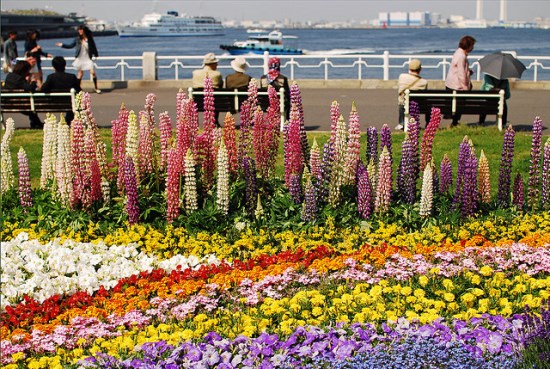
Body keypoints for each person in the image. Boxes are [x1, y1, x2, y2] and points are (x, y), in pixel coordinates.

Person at [56, 25, 101, 93]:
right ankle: (78, 88)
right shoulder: (77, 39)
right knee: (80, 74)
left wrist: (96, 54)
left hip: (88, 58)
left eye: (81, 30)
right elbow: (71, 45)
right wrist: (62, 45)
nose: (79, 31)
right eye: (79, 30)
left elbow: (93, 47)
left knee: (93, 72)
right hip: (80, 58)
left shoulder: (89, 39)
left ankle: (96, 88)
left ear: (84, 30)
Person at [445, 35, 476, 127]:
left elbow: (458, 69)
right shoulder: (462, 56)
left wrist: (468, 71)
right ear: (469, 46)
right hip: (457, 86)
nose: (473, 48)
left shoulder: (458, 53)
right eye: (472, 46)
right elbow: (461, 74)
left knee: (455, 105)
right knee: (459, 105)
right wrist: (466, 88)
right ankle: (455, 122)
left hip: (450, 84)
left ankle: (455, 122)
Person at [41, 56, 82, 124]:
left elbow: (43, 89)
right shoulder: (71, 77)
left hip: (54, 103)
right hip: (69, 103)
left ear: (53, 66)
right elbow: (79, 90)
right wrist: (78, 79)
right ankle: (68, 120)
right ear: (64, 65)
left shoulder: (51, 77)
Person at [2, 60, 43, 129]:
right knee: (31, 108)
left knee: (31, 110)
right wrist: (33, 81)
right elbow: (30, 89)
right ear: (24, 70)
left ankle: (36, 124)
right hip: (18, 104)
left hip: (7, 103)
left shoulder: (9, 76)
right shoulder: (19, 79)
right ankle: (37, 124)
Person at [395, 58, 428, 130]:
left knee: (402, 101)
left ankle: (401, 123)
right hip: (418, 105)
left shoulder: (402, 76)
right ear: (420, 69)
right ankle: (427, 124)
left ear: (409, 68)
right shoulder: (424, 82)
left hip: (404, 104)